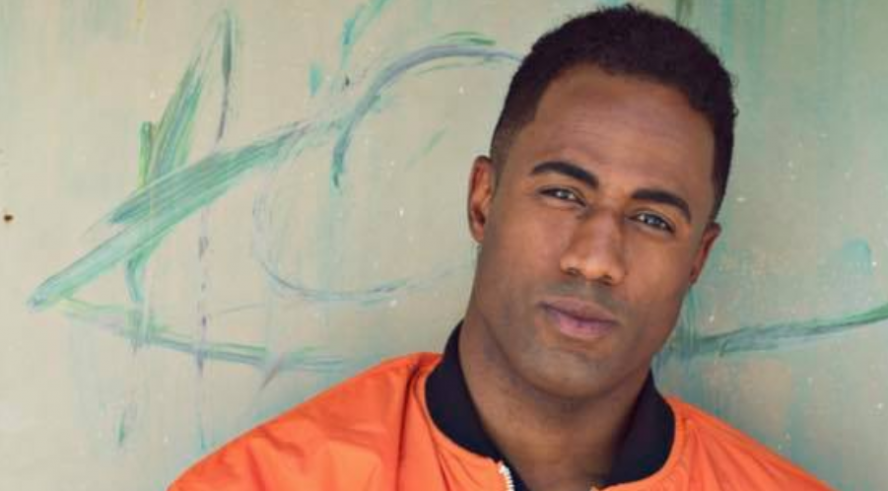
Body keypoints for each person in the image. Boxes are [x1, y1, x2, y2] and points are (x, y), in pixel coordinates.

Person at [169, 5, 835, 490]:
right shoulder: (269, 481)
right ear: (483, 201)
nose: (596, 258)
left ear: (698, 260)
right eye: (564, 194)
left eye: (653, 219)